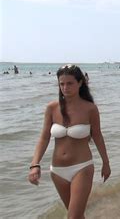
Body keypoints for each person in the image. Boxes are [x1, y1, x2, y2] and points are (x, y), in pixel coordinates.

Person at [28, 64, 111, 218]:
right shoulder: (52, 108)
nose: (65, 87)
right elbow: (44, 136)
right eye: (62, 84)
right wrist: (35, 164)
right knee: (77, 216)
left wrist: (106, 163)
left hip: (82, 167)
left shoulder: (90, 109)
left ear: (80, 83)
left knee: (72, 217)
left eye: (70, 83)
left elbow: (97, 136)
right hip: (57, 171)